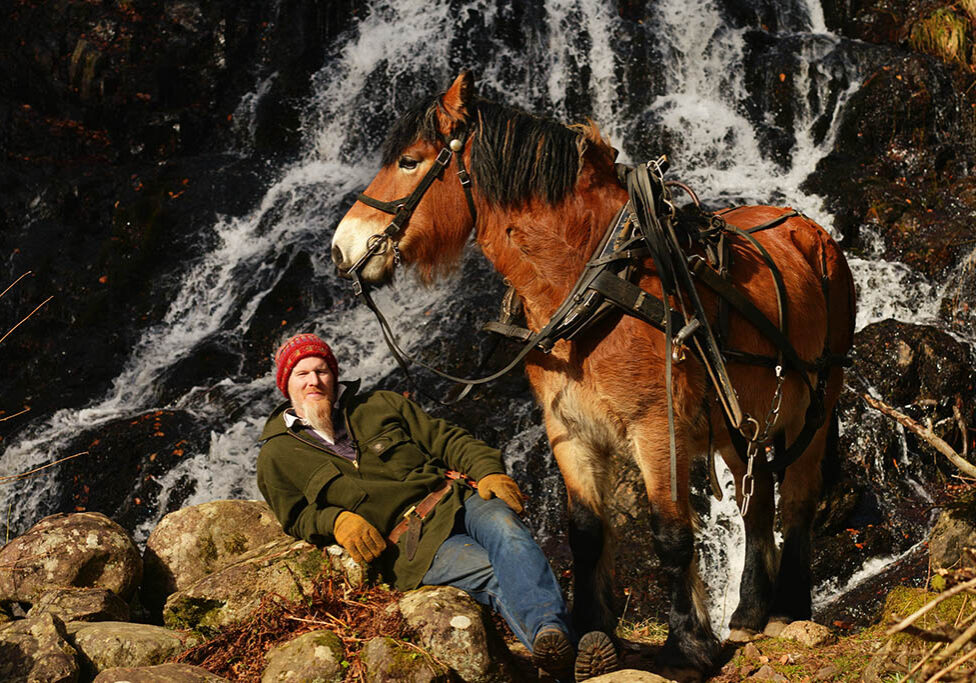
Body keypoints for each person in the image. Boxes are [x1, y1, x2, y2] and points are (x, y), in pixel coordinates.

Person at [257, 333, 613, 679]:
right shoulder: (276, 454)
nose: (314, 381)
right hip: (413, 546)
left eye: (321, 370)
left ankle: (556, 647)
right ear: (286, 384)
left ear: (334, 376)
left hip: (459, 499)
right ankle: (566, 652)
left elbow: (448, 439)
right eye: (302, 374)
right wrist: (335, 520)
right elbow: (295, 516)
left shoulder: (380, 405)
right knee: (493, 570)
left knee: (510, 535)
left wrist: (487, 472)